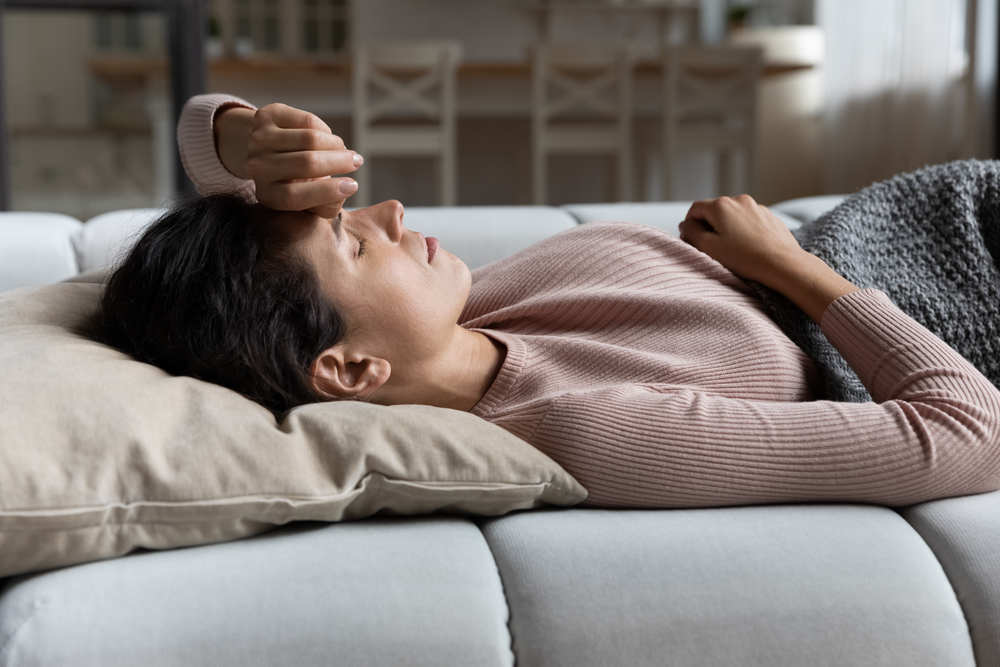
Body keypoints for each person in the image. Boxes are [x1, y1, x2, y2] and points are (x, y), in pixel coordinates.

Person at [100, 94, 1000, 509]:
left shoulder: (469, 311)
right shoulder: (594, 427)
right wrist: (791, 267)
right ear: (349, 368)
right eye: (355, 239)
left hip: (934, 218)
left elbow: (198, 136)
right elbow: (967, 432)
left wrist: (246, 134)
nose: (391, 209)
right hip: (955, 301)